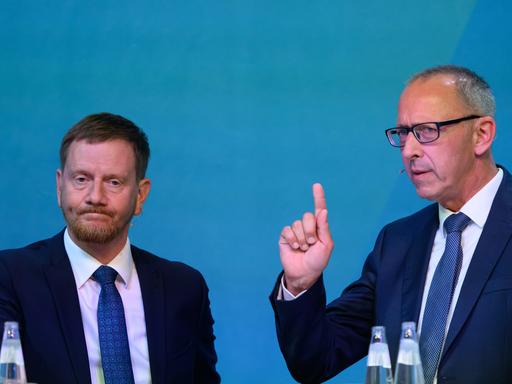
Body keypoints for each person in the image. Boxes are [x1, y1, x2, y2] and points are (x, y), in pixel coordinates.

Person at [270, 65, 511, 384]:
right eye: (403, 134)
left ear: (481, 134)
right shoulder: (398, 243)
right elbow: (316, 360)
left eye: (427, 131)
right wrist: (300, 284)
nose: (410, 150)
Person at [0, 113, 220, 383]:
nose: (95, 197)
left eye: (113, 182)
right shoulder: (10, 278)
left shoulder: (184, 288)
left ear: (141, 195)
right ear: (60, 186)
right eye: (81, 179)